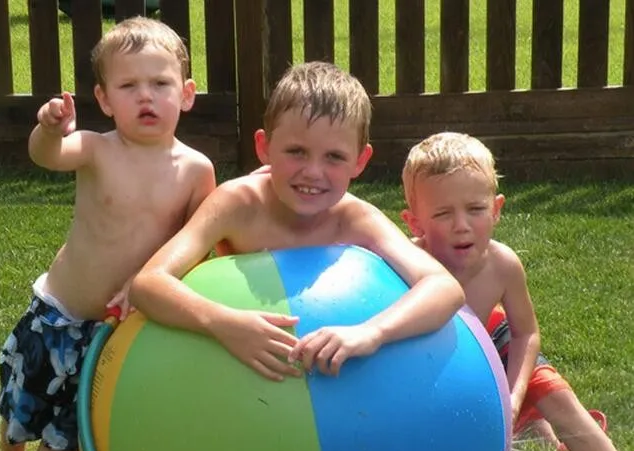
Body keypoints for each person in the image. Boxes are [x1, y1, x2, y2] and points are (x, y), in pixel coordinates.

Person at [0, 17, 216, 451]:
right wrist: (48, 129)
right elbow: (47, 156)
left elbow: (194, 240)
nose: (145, 96)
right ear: (105, 99)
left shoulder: (197, 171)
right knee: (23, 396)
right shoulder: (96, 150)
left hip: (114, 326)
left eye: (160, 84)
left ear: (186, 94)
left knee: (74, 418)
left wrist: (142, 278)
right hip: (58, 311)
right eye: (128, 86)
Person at [130, 61, 465, 382]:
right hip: (237, 375)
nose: (313, 172)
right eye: (296, 152)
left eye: (334, 157)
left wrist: (372, 332)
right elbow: (148, 284)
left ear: (360, 161)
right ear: (264, 147)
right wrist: (223, 323)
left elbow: (444, 287)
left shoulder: (354, 219)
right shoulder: (238, 205)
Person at [400, 131, 634, 451]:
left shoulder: (502, 265)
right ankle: (537, 429)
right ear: (415, 223)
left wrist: (515, 394)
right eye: (443, 214)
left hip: (495, 334)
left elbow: (526, 333)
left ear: (496, 209)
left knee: (555, 394)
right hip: (439, 348)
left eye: (475, 209)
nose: (462, 225)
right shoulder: (405, 263)